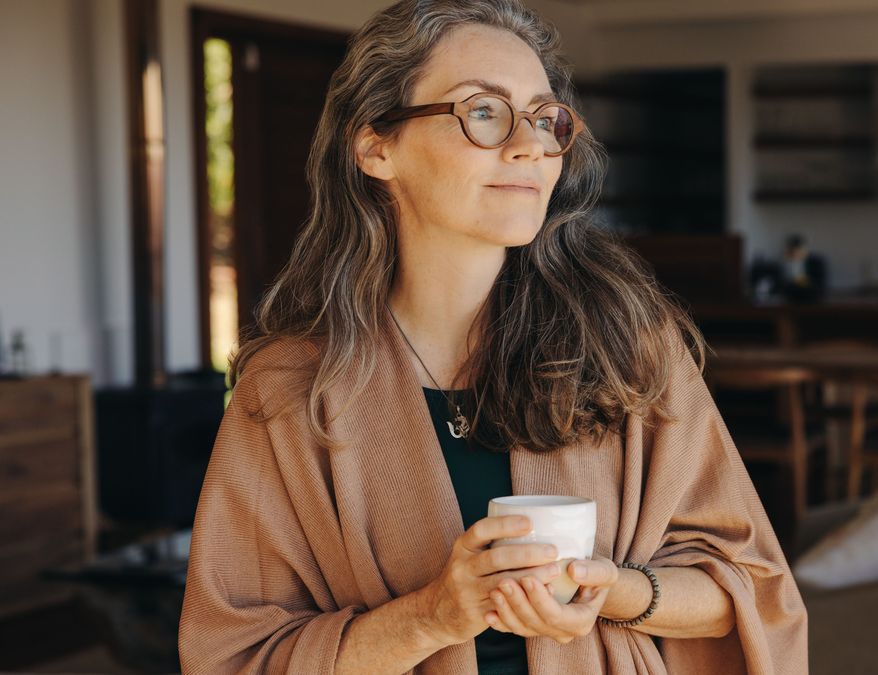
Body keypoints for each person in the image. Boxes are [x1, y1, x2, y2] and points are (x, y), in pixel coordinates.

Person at [177, 1, 809, 673]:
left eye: (544, 117)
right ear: (375, 146)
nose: (531, 143)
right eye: (483, 111)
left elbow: (749, 589)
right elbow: (236, 657)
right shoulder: (288, 390)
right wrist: (434, 615)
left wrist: (607, 588)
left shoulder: (628, 344)